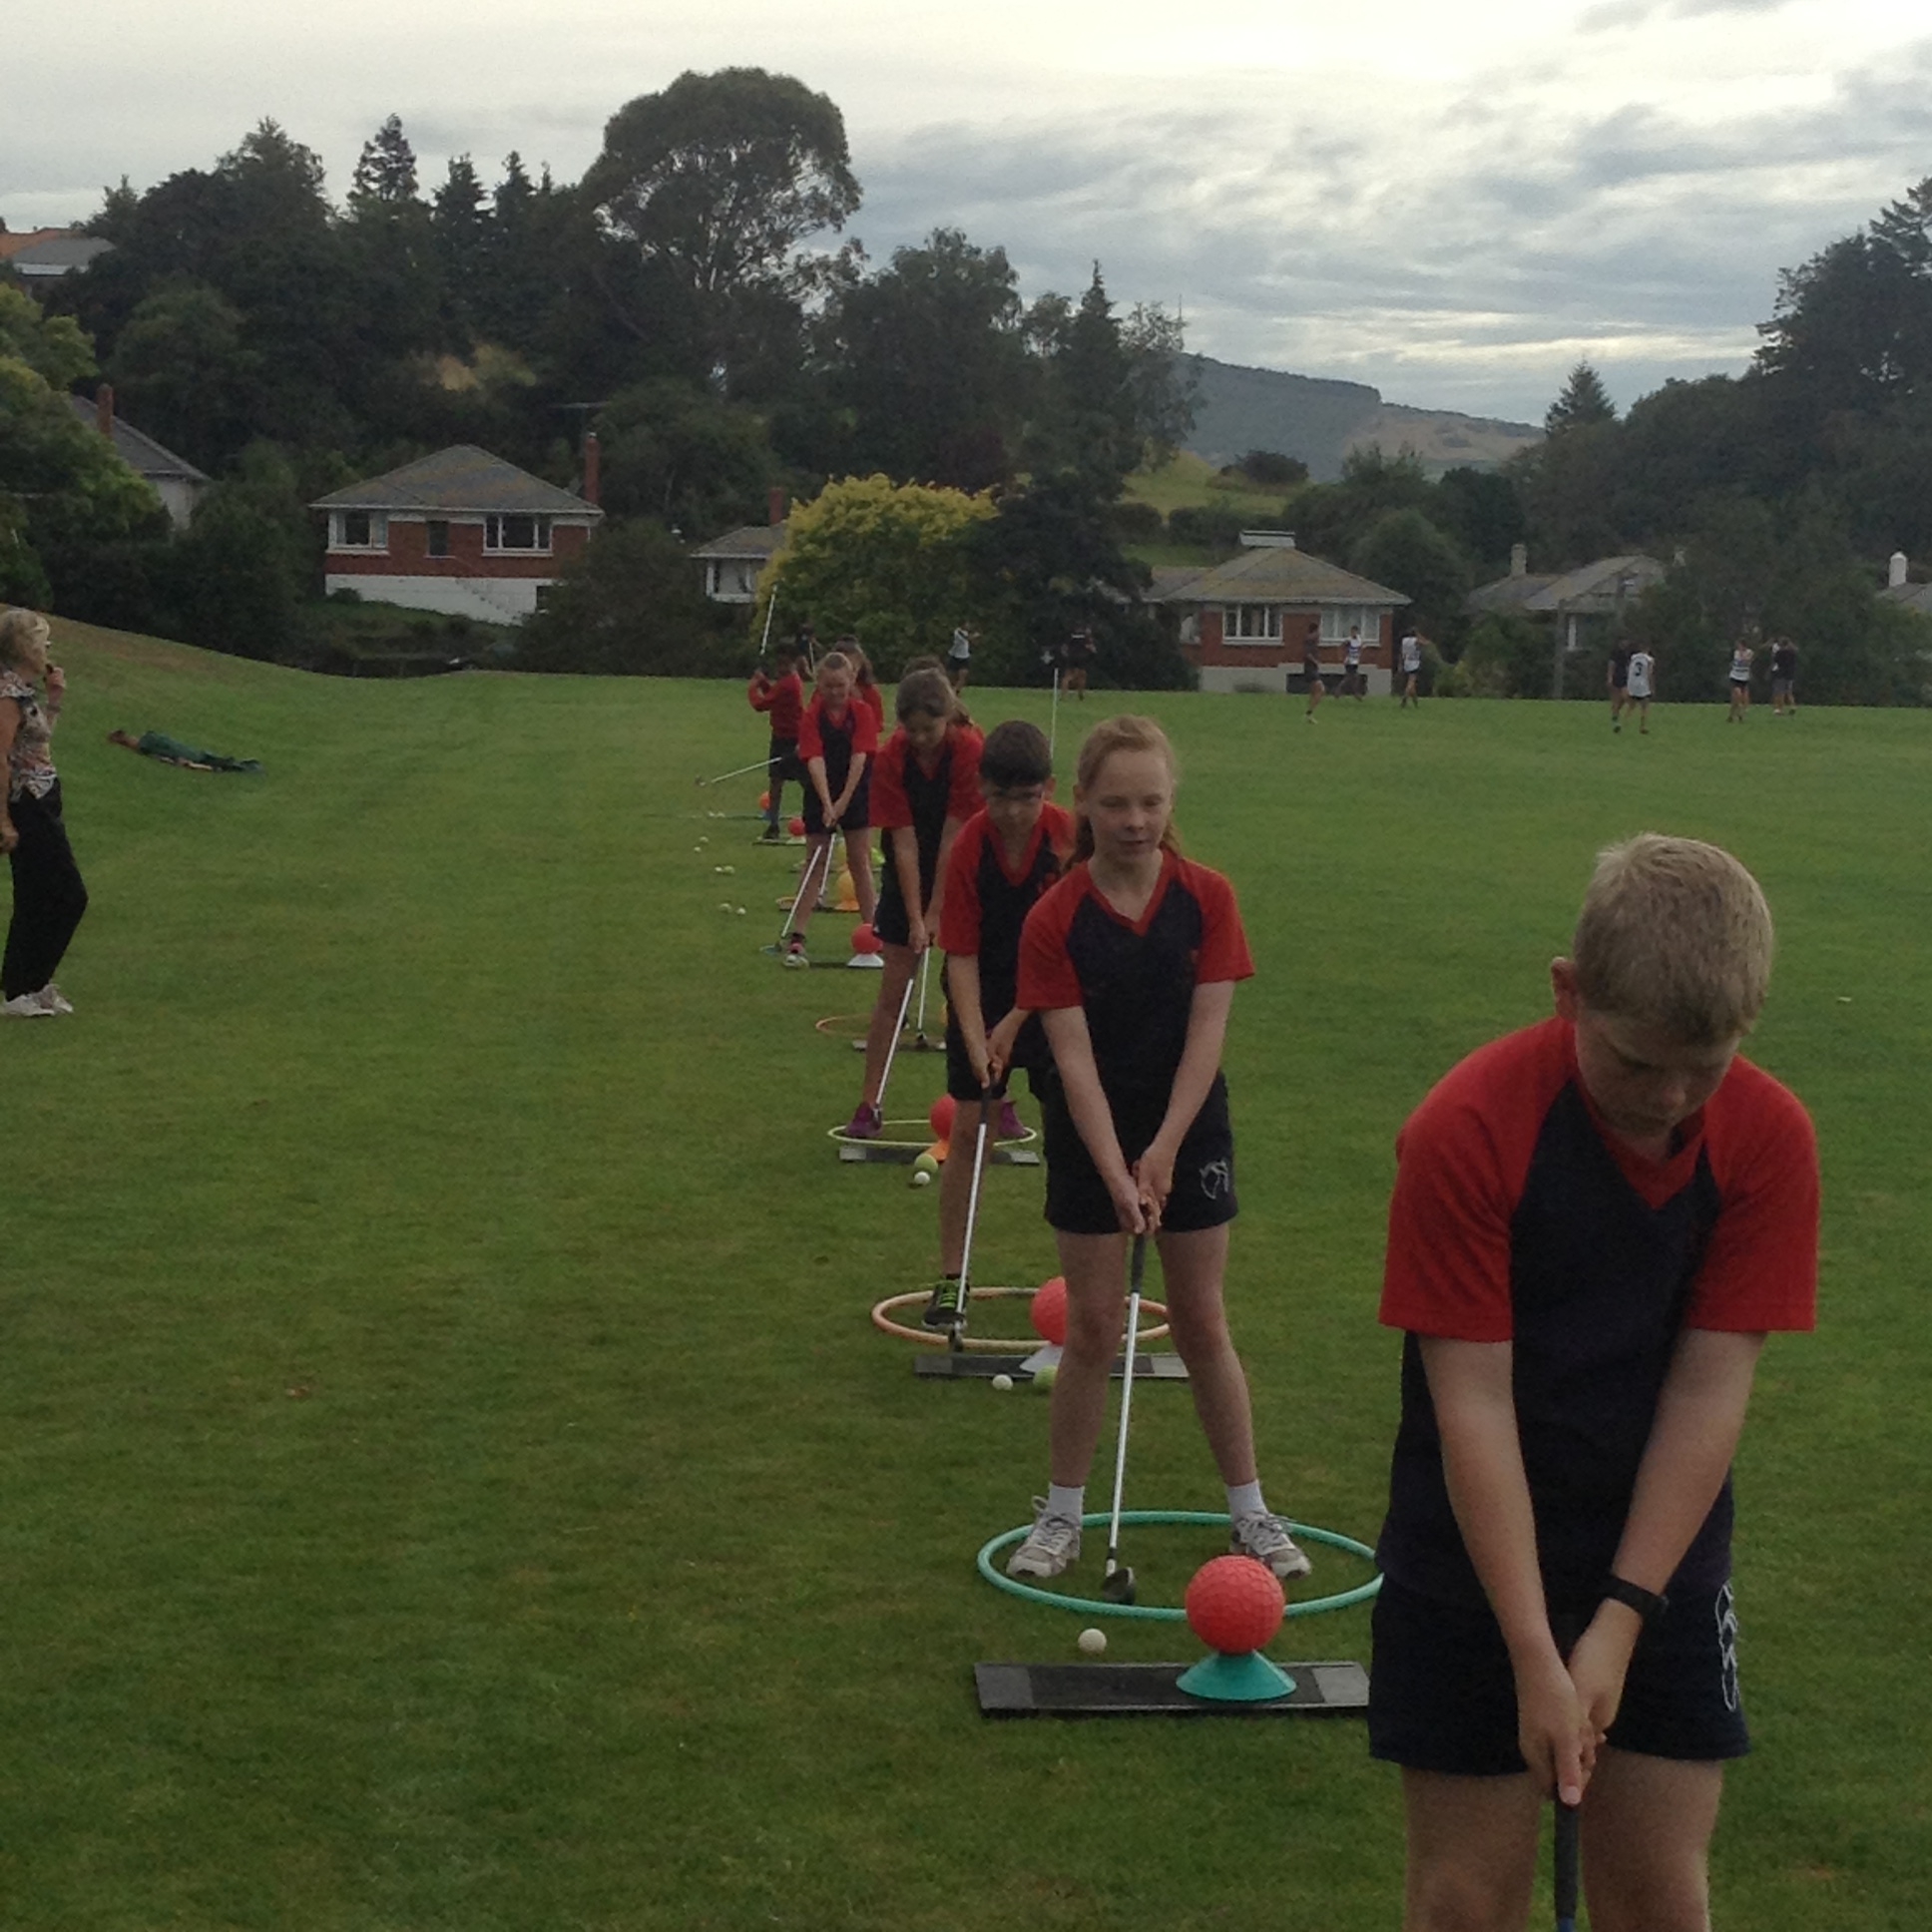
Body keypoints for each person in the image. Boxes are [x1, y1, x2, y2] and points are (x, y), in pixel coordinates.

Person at [1368, 833, 1817, 1932]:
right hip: (1468, 1558)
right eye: (1635, 1061)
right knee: (1465, 1904)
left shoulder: (1768, 1139)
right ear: (1568, 992)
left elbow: (1707, 1393)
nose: (1669, 1096)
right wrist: (1534, 1649)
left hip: (1661, 1561)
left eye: (1702, 1066)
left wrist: (1618, 1621)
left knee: (1661, 1902)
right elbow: (1472, 1404)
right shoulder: (1468, 1128)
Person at [1003, 715, 1311, 1585]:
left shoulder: (1209, 898)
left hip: (1190, 1125)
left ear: (1171, 801)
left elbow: (1208, 1035)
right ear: (1082, 804)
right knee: (1094, 1327)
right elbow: (1072, 1060)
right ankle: (1062, 1515)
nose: (1134, 820)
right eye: (1114, 804)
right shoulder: (1055, 917)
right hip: (1090, 1130)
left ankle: (1250, 1511)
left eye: (1150, 801)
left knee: (1202, 1320)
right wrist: (1116, 1168)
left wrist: (1166, 1149)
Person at [923, 720, 1077, 1327]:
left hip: (1056, 995)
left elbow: (1069, 948)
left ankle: (1087, 1281)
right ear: (981, 791)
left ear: (1049, 789)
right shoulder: (970, 847)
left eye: (1027, 798)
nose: (1012, 812)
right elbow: (959, 956)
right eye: (999, 797)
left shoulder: (1068, 840)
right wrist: (976, 1041)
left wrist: (1017, 1020)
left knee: (1072, 1132)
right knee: (969, 1129)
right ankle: (952, 1279)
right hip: (982, 990)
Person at [843, 668, 983, 1138]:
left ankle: (996, 1102)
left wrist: (936, 911)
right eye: (912, 729)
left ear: (948, 717)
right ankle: (869, 1104)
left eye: (930, 728)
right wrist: (915, 917)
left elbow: (953, 838)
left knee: (975, 994)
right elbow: (902, 842)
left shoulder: (969, 750)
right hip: (907, 871)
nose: (921, 738)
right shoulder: (891, 757)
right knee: (893, 992)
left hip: (965, 870)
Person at [0, 608, 87, 1018]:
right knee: (68, 895)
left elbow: (40, 740)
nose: (48, 647)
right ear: (25, 647)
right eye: (42, 641)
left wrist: (54, 701)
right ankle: (20, 988)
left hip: (45, 797)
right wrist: (3, 819)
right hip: (27, 803)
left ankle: (31, 985)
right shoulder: (7, 694)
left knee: (38, 895)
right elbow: (1, 759)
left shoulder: (24, 690)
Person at [785, 652, 878, 967]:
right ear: (819, 685)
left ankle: (873, 930)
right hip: (819, 790)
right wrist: (827, 803)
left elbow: (860, 758)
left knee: (859, 861)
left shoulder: (862, 712)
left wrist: (842, 803)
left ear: (851, 681)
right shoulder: (812, 716)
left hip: (856, 790)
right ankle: (798, 935)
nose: (835, 692)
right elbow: (814, 759)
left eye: (840, 685)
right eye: (828, 686)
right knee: (815, 860)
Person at [746, 647, 805, 840]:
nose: (779, 668)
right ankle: (773, 824)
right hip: (781, 736)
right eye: (778, 664)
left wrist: (753, 687)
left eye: (784, 664)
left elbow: (761, 704)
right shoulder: (788, 680)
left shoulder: (788, 683)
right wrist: (763, 682)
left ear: (792, 663)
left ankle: (823, 816)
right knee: (776, 781)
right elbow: (773, 695)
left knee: (803, 781)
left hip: (792, 739)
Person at [1625, 646, 1656, 734]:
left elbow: (1628, 669)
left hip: (1632, 683)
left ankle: (1624, 723)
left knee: (1631, 705)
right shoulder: (1649, 660)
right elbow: (1649, 673)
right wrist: (1651, 686)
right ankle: (1642, 726)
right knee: (1644, 706)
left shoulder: (1633, 657)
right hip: (1642, 684)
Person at [1301, 619, 1325, 722]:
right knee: (1321, 689)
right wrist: (1315, 661)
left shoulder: (1313, 641)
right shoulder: (1310, 640)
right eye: (1318, 631)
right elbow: (1307, 654)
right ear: (1315, 631)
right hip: (1310, 668)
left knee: (1314, 691)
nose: (1320, 633)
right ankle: (1309, 714)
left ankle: (1308, 715)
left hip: (1312, 668)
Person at [1063, 626, 1095, 701]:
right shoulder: (1085, 636)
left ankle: (1064, 695)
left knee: (1067, 676)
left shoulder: (1071, 635)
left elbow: (1065, 647)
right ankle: (1081, 694)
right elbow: (1089, 647)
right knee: (1082, 676)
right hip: (1082, 657)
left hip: (1071, 657)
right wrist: (1093, 650)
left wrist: (1067, 654)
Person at [1769, 637, 1798, 717]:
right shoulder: (1792, 652)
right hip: (1790, 674)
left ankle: (1780, 709)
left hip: (1781, 674)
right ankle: (1793, 706)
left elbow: (1775, 661)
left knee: (1780, 692)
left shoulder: (1779, 653)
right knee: (1789, 691)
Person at [1726, 639, 1754, 722]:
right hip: (1735, 676)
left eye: (1739, 645)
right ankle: (1740, 714)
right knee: (1738, 694)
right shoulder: (1736, 652)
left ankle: (1731, 716)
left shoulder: (1749, 652)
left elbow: (1747, 660)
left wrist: (1742, 653)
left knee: (1735, 699)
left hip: (1744, 677)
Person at [1608, 642, 1633, 731]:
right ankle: (1615, 722)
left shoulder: (1629, 653)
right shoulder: (1615, 653)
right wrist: (1610, 677)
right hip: (1616, 677)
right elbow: (1611, 665)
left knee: (1625, 697)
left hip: (1625, 678)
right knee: (1616, 700)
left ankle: (1616, 712)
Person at [1399, 626, 1425, 708]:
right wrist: (1419, 635)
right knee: (1411, 682)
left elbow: (1401, 651)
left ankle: (1415, 702)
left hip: (1406, 662)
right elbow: (1425, 643)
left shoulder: (1404, 640)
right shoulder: (1415, 640)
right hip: (1414, 663)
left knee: (1412, 684)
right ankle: (1405, 696)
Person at [947, 624, 975, 692]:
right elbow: (967, 638)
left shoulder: (966, 632)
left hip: (964, 657)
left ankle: (956, 691)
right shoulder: (957, 632)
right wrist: (975, 636)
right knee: (951, 677)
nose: (968, 625)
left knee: (963, 677)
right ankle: (951, 691)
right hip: (955, 656)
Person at [1344, 625, 1366, 701]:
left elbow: (1361, 648)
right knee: (1355, 677)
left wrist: (1360, 657)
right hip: (1349, 661)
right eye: (1352, 631)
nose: (1353, 633)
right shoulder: (1348, 640)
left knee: (1349, 678)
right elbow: (1343, 648)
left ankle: (1338, 691)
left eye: (1355, 631)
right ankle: (1356, 694)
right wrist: (1345, 657)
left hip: (1355, 661)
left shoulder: (1359, 639)